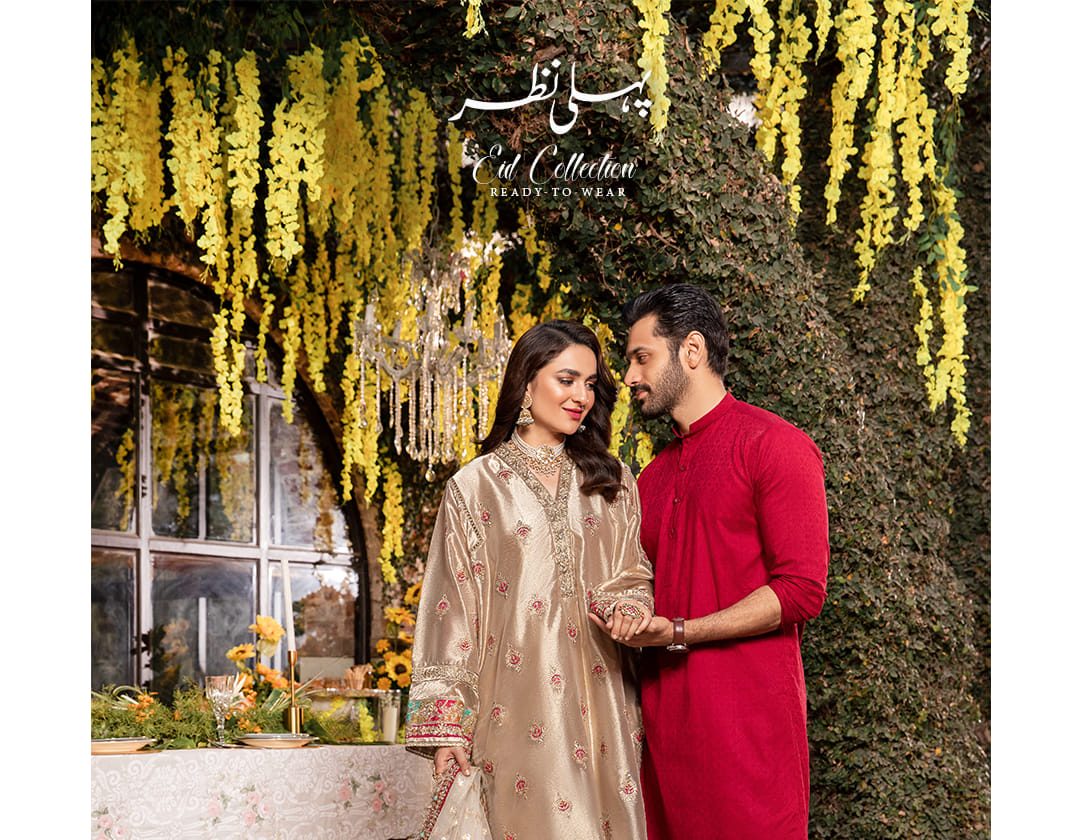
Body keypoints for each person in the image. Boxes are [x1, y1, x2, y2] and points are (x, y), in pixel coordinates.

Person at [405, 320, 655, 840]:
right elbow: (453, 610)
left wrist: (630, 605)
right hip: (513, 708)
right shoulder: (475, 487)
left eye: (590, 384)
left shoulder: (611, 481)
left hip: (606, 701)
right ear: (526, 382)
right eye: (566, 380)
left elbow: (631, 572)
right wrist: (448, 726)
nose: (581, 397)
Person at [599, 284, 829, 839]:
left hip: (749, 745)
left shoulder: (775, 446)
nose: (629, 376)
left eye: (641, 357)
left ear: (692, 350)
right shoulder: (651, 479)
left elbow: (801, 590)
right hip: (663, 747)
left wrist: (681, 631)